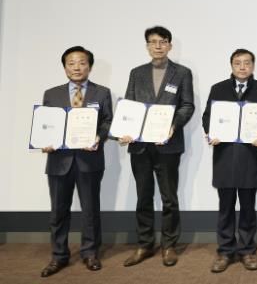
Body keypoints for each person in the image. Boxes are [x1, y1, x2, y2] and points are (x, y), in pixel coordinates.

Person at [119, 26, 195, 267]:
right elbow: (129, 106)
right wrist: (124, 130)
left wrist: (173, 125)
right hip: (140, 146)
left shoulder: (182, 73)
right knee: (143, 197)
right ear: (147, 46)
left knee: (169, 198)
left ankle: (169, 245)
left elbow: (187, 105)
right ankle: (144, 245)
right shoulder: (137, 73)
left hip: (168, 144)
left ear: (170, 45)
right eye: (153, 42)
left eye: (163, 41)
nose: (158, 46)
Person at [40, 46, 113, 277]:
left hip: (89, 160)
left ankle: (90, 253)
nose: (77, 67)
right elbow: (45, 124)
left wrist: (99, 137)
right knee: (58, 212)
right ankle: (58, 256)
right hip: (59, 161)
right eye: (71, 63)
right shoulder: (51, 94)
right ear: (65, 68)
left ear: (89, 66)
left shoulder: (102, 93)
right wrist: (44, 140)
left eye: (82, 63)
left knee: (90, 210)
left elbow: (108, 122)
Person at [202, 49, 257, 273]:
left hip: (250, 157)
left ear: (253, 66)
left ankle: (247, 251)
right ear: (231, 65)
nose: (242, 67)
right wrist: (211, 133)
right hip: (224, 156)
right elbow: (207, 117)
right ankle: (225, 251)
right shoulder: (218, 88)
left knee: (248, 208)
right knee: (225, 207)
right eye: (237, 63)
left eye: (246, 63)